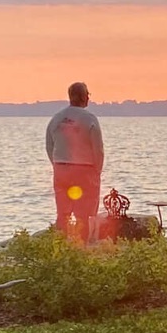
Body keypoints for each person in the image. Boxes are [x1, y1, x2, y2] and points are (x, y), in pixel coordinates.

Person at [46, 82, 104, 243]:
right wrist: (97, 171)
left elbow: (49, 145)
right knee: (84, 214)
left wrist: (57, 164)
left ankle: (61, 245)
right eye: (87, 95)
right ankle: (82, 245)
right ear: (83, 97)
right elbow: (97, 148)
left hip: (61, 168)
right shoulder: (89, 119)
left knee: (62, 212)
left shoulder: (57, 118)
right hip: (85, 169)